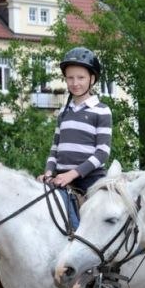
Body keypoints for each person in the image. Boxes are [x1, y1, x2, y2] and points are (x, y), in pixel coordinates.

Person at [38, 47, 111, 229]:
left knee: (99, 222)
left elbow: (102, 153)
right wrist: (48, 173)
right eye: (70, 78)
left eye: (81, 77)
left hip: (89, 179)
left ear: (92, 79)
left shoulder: (101, 110)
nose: (75, 83)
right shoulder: (63, 112)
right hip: (60, 176)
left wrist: (72, 174)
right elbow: (55, 149)